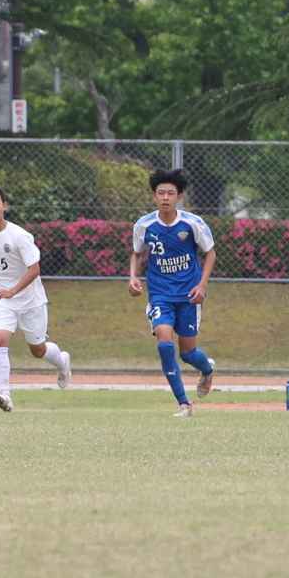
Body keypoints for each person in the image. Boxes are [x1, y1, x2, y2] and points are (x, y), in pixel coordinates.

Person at [0, 186, 71, 413]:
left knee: (38, 350)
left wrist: (14, 290)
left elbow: (34, 269)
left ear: (5, 206)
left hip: (31, 300)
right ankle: (4, 394)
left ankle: (63, 362)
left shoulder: (19, 236)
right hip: (3, 298)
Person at [129, 169, 217, 417]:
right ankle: (184, 404)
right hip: (160, 295)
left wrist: (202, 285)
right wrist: (133, 277)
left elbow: (210, 253)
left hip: (188, 295)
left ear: (178, 196)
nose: (165, 197)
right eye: (160, 193)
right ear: (154, 196)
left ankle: (207, 370)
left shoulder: (192, 223)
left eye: (170, 193)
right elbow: (136, 253)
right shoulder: (144, 224)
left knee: (188, 353)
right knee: (165, 342)